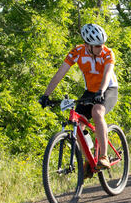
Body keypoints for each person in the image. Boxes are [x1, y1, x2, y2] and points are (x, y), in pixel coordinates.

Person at [39, 23, 119, 175]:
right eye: (97, 46)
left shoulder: (108, 53)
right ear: (87, 45)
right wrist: (46, 95)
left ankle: (103, 156)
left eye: (102, 44)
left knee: (97, 112)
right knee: (78, 125)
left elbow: (108, 74)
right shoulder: (77, 52)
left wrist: (101, 91)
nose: (101, 48)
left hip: (108, 89)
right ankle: (89, 160)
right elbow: (59, 74)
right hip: (90, 91)